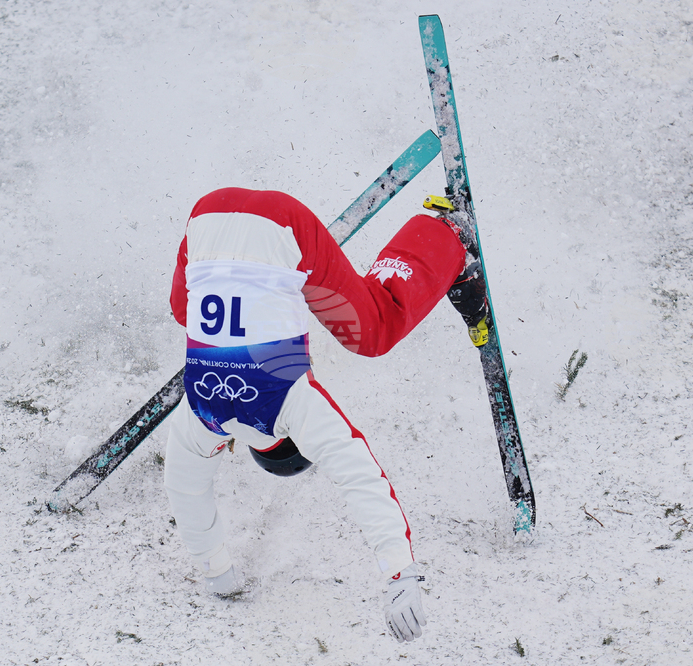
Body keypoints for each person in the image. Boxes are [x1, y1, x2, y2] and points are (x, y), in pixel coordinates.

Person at [165, 187, 486, 643]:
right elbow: (184, 487)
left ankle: (445, 231)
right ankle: (292, 282)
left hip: (286, 228)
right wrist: (215, 570)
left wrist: (402, 575)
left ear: (292, 441)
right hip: (207, 215)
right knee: (185, 312)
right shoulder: (199, 414)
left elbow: (360, 477)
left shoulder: (295, 407)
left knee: (375, 330)